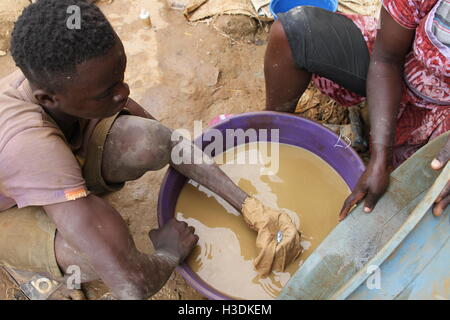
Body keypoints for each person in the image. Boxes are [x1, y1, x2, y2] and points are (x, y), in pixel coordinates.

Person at [0, 0, 259, 300]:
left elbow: (168, 143)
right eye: (106, 93)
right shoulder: (27, 144)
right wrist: (167, 253)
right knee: (90, 256)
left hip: (55, 163)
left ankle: (72, 196)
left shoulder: (70, 82)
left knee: (148, 141)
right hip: (11, 209)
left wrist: (247, 205)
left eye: (119, 77)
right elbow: (131, 285)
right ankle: (34, 250)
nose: (124, 93)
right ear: (47, 100)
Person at [263, 0, 449, 220]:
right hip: (401, 66)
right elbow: (386, 59)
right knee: (292, 32)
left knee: (425, 202)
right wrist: (382, 154)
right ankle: (271, 132)